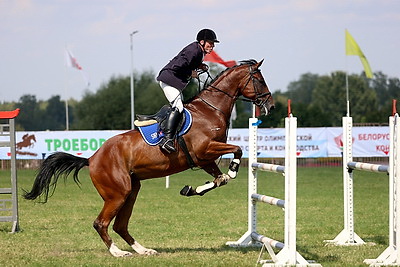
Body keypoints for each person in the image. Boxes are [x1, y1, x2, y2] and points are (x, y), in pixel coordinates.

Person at [156, 29, 219, 153]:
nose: (212, 46)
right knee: (178, 107)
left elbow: (187, 63)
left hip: (173, 82)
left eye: (213, 44)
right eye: (210, 43)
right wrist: (191, 72)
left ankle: (173, 135)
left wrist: (199, 66)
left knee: (182, 107)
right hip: (168, 80)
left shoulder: (198, 50)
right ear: (202, 41)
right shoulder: (193, 50)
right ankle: (166, 140)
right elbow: (177, 66)